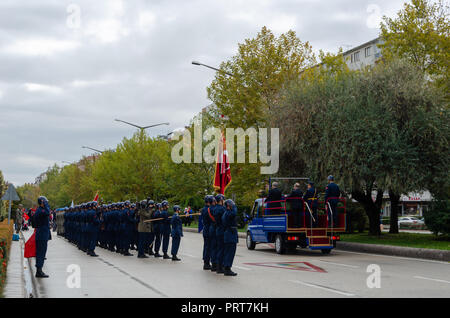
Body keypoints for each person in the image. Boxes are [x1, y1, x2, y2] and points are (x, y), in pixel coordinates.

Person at [34, 196, 51, 278]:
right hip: (41, 234)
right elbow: (48, 212)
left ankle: (39, 270)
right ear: (42, 202)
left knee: (41, 252)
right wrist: (45, 204)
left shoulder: (40, 210)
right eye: (45, 202)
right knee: (41, 253)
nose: (47, 203)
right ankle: (39, 271)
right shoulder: (41, 211)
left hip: (42, 234)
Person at [222, 199, 238, 276]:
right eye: (232, 205)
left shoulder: (226, 213)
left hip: (229, 233)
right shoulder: (229, 213)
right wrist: (234, 206)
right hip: (230, 234)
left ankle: (226, 267)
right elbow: (235, 212)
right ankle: (227, 268)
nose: (233, 206)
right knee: (230, 252)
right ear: (228, 206)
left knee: (228, 252)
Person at [214, 194, 226, 274]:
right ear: (221, 200)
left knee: (219, 249)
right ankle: (220, 267)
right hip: (222, 229)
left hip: (218, 229)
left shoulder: (215, 208)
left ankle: (218, 266)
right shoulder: (222, 209)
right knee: (222, 249)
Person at [200, 196, 212, 270]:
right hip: (208, 229)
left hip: (206, 229)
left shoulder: (204, 209)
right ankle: (206, 263)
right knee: (208, 247)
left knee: (206, 246)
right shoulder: (208, 209)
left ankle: (206, 261)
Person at [208, 196, 218, 272]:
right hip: (214, 228)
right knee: (215, 247)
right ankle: (214, 263)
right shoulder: (214, 209)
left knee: (212, 247)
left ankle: (213, 263)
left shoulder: (208, 208)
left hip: (211, 228)